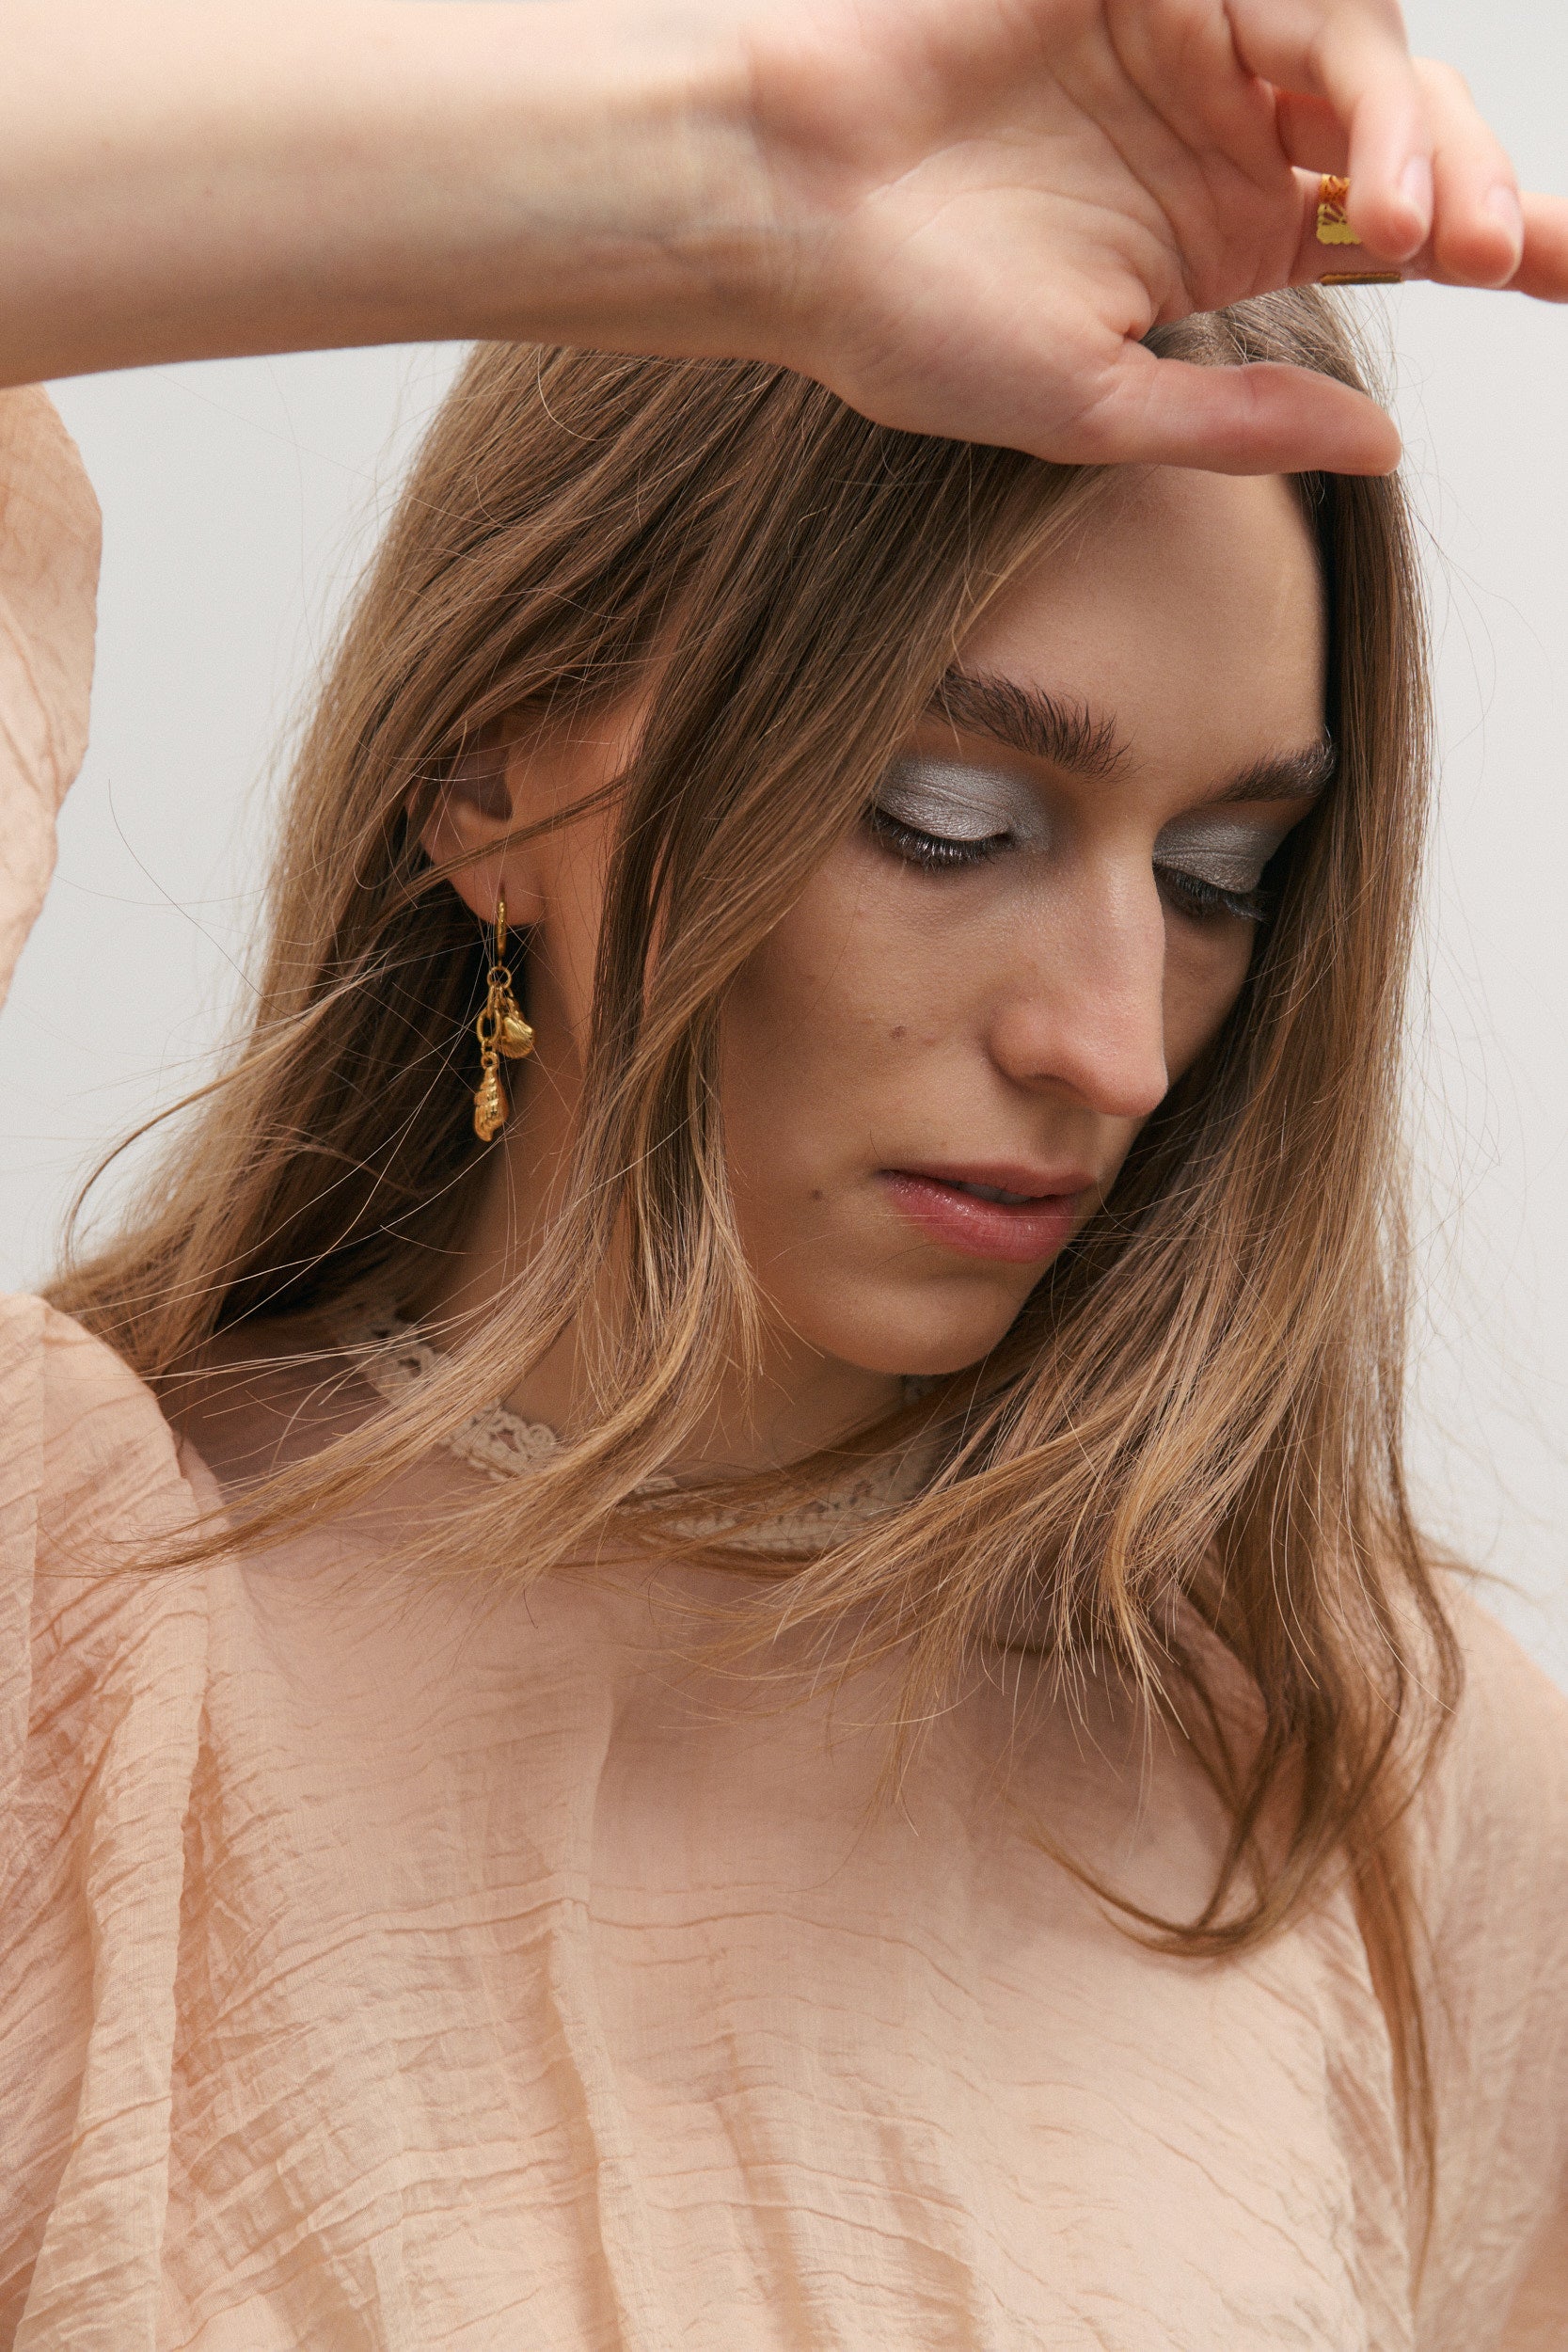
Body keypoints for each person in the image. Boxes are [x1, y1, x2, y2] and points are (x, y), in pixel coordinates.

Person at [1, 2, 1564, 2344]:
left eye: (1228, 873)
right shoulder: (78, 1628)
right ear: (487, 773)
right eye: (952, 821)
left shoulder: (1376, 1775)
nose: (1113, 1042)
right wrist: (747, 168)